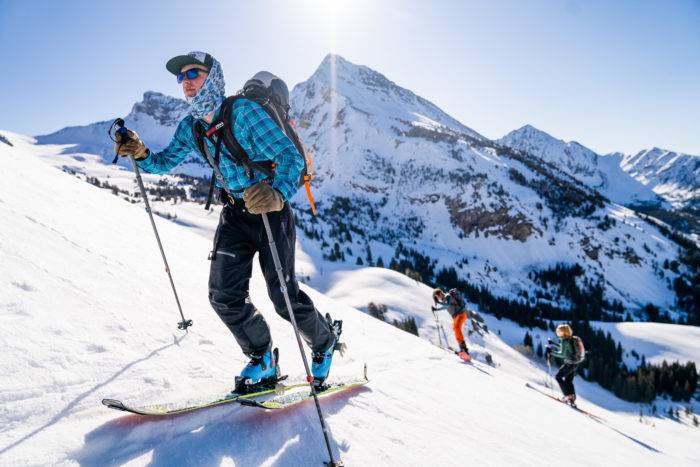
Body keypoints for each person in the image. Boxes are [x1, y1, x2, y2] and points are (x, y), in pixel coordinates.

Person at [114, 51, 340, 392]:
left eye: (194, 73)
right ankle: (263, 358)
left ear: (214, 77)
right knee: (223, 294)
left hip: (270, 212)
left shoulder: (244, 113)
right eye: (181, 76)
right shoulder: (192, 127)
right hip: (235, 214)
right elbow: (162, 163)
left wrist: (277, 193)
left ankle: (323, 343)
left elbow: (289, 157)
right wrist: (141, 151)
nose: (186, 81)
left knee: (283, 298)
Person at [546, 324, 579, 405]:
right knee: (568, 381)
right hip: (575, 363)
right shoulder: (570, 339)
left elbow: (562, 354)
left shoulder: (565, 341)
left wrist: (551, 352)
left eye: (558, 331)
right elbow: (564, 348)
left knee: (558, 377)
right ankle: (572, 398)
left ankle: (567, 396)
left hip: (569, 363)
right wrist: (553, 344)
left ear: (562, 332)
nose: (557, 332)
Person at [431, 288, 470, 355]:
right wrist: (437, 307)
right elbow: (445, 305)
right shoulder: (444, 299)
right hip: (457, 316)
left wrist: (438, 305)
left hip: (461, 314)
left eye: (437, 297)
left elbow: (447, 306)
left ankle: (464, 350)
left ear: (440, 293)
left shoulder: (448, 296)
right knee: (456, 330)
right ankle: (462, 349)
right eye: (436, 298)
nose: (438, 298)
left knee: (457, 328)